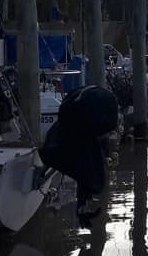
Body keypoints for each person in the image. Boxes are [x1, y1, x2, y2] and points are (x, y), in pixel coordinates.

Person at [39, 85, 119, 223]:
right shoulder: (91, 134)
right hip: (78, 124)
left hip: (74, 121)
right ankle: (42, 170)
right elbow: (86, 172)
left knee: (85, 167)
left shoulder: (70, 124)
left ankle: (43, 169)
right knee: (87, 168)